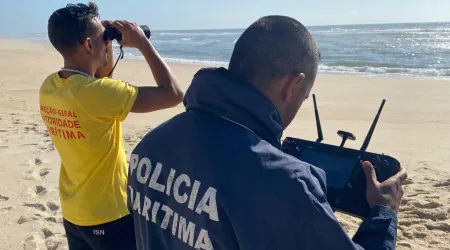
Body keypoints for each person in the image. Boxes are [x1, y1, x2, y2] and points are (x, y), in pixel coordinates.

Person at [127, 15, 407, 250]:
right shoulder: (287, 183)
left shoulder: (149, 145)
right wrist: (383, 213)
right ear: (293, 86)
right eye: (304, 95)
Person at [39, 2, 183, 249]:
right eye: (101, 37)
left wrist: (102, 43)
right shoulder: (99, 94)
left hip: (74, 212)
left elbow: (100, 83)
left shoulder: (50, 87)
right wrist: (141, 43)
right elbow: (174, 93)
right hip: (110, 214)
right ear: (87, 44)